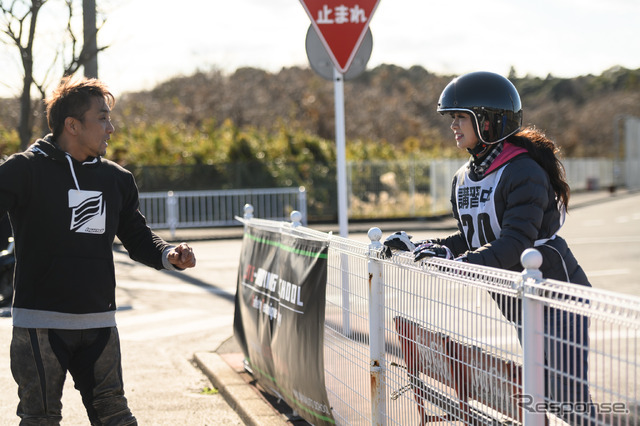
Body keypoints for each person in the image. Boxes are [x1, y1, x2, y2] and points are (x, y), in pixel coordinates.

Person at [384, 71, 595, 424]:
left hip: (557, 293)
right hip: (517, 294)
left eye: (460, 117)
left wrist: (459, 264)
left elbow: (514, 243)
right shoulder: (463, 176)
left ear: (487, 121)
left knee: (567, 398)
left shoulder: (523, 170)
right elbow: (471, 237)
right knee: (542, 392)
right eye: (452, 118)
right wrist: (427, 246)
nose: (453, 126)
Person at [0, 77, 196, 425]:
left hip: (99, 323)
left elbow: (137, 236)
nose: (112, 127)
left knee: (115, 416)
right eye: (102, 118)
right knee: (39, 418)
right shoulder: (24, 169)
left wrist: (169, 255)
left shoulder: (116, 179)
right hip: (40, 326)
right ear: (72, 125)